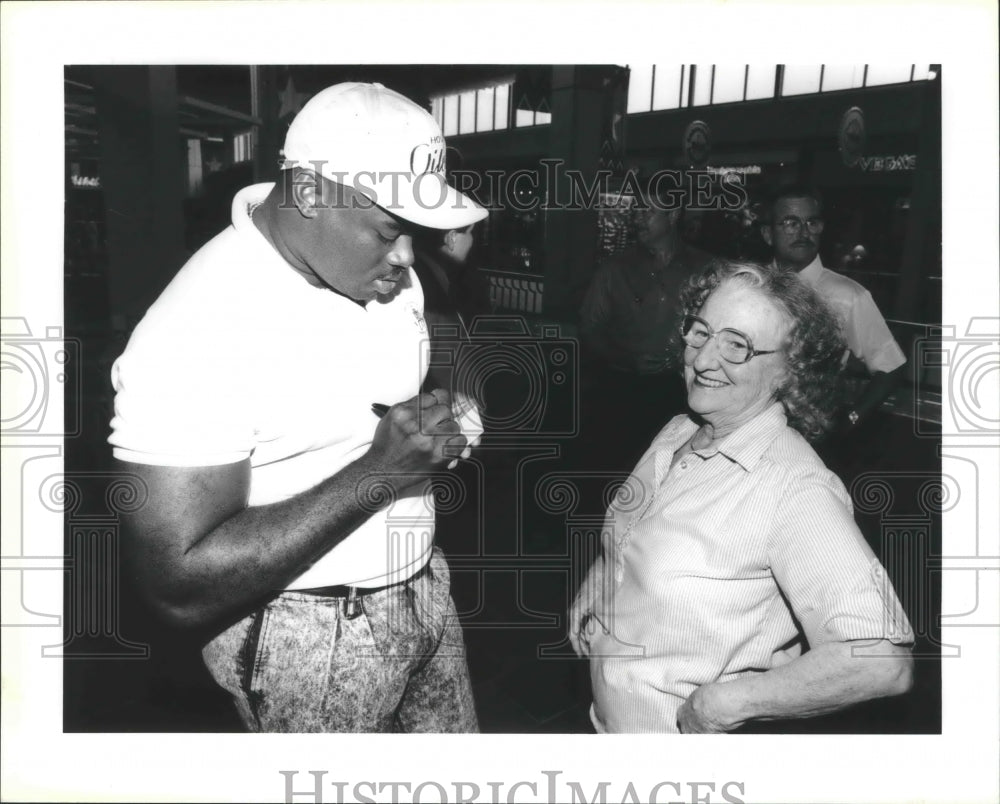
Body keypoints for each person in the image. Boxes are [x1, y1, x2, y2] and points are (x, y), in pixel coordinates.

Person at [108, 82, 488, 733]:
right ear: (310, 192)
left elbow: (392, 391)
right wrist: (384, 472)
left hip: (423, 588)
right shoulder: (199, 328)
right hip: (309, 633)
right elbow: (177, 584)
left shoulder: (378, 267)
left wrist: (441, 412)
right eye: (391, 230)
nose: (407, 257)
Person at [569, 260, 914, 733]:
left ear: (789, 372)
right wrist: (603, 575)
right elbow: (638, 534)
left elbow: (880, 660)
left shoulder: (795, 489)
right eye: (702, 332)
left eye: (738, 345)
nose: (705, 359)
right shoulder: (679, 431)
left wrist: (723, 704)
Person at [578, 186, 713, 470]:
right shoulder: (615, 270)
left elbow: (719, 329)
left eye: (648, 211)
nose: (639, 217)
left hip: (682, 394)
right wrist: (625, 357)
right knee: (618, 468)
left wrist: (683, 358)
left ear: (673, 215)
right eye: (636, 210)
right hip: (621, 391)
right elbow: (590, 329)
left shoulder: (705, 268)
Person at [760, 184, 907, 430]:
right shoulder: (752, 287)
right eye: (790, 223)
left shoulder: (847, 295)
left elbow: (891, 365)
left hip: (808, 434)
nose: (803, 232)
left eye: (812, 223)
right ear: (767, 234)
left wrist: (852, 419)